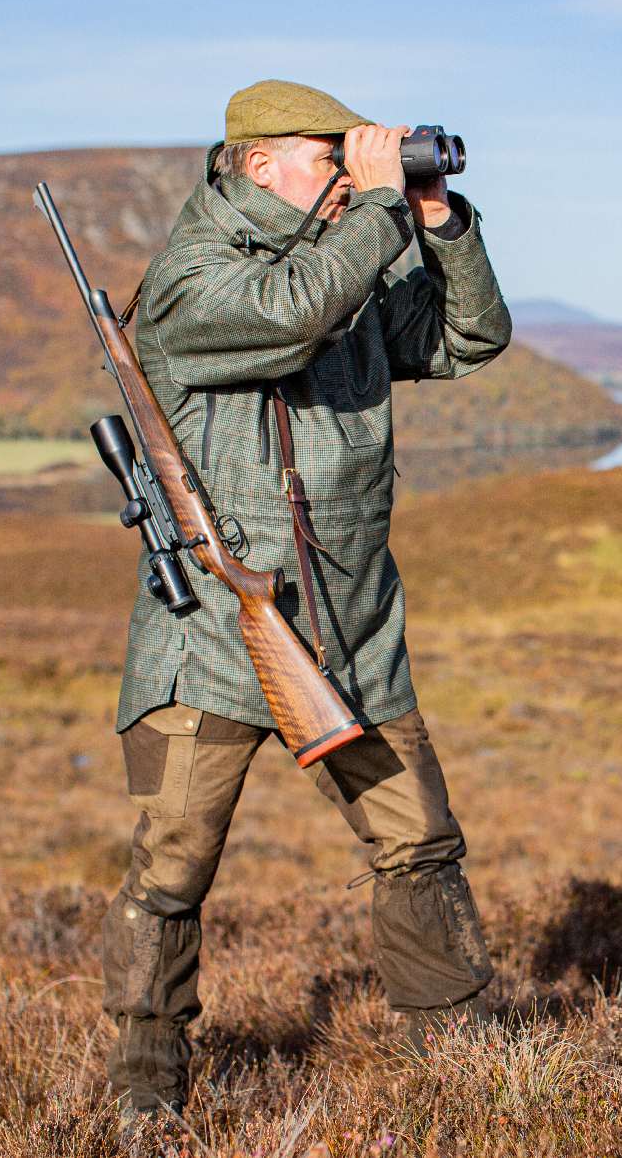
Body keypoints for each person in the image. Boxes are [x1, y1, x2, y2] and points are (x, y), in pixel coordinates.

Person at [102, 79, 513, 1120]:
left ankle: (459, 1056)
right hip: (207, 640)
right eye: (329, 160)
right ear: (255, 165)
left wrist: (436, 220)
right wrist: (378, 213)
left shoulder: (347, 263)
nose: (348, 175)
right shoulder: (195, 280)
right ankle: (147, 1079)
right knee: (171, 863)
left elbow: (469, 337)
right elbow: (291, 320)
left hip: (352, 633)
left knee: (419, 842)